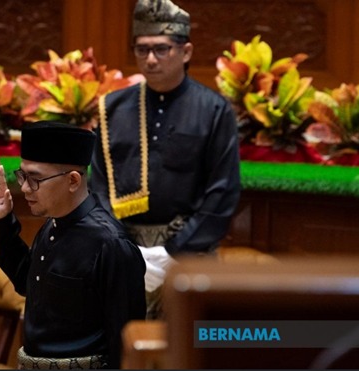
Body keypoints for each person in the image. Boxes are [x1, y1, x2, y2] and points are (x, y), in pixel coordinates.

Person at [90, 0, 241, 319]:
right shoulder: (113, 109)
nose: (150, 59)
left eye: (161, 49)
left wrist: (171, 253)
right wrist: (126, 252)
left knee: (189, 355)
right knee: (122, 353)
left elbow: (222, 192)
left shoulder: (213, 110)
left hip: (190, 252)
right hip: (123, 251)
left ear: (185, 52)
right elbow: (98, 190)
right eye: (142, 50)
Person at [0, 120, 146, 369]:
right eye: (23, 175)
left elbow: (125, 342)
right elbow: (25, 280)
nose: (25, 187)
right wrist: (1, 221)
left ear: (72, 181)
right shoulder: (52, 224)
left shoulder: (111, 245)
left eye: (35, 178)